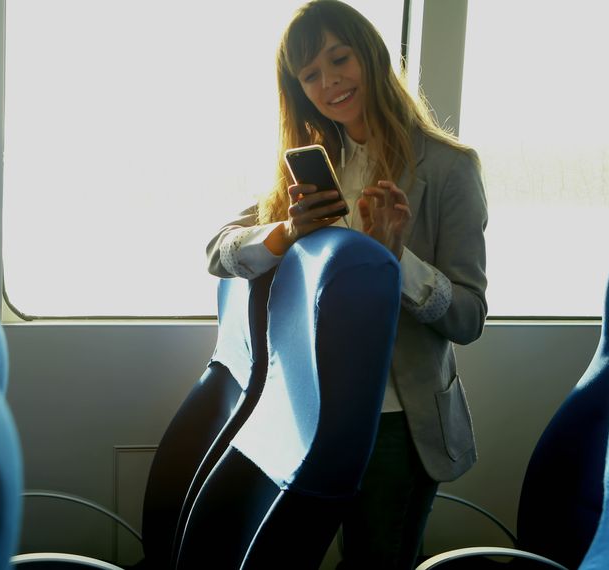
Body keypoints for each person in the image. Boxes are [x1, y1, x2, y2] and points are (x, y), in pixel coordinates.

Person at [205, 1, 488, 568]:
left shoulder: (449, 168)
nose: (330, 82)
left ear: (371, 57)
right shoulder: (310, 167)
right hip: (309, 406)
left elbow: (468, 317)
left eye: (340, 59)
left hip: (392, 417)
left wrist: (395, 261)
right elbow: (218, 251)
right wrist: (287, 232)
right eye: (311, 74)